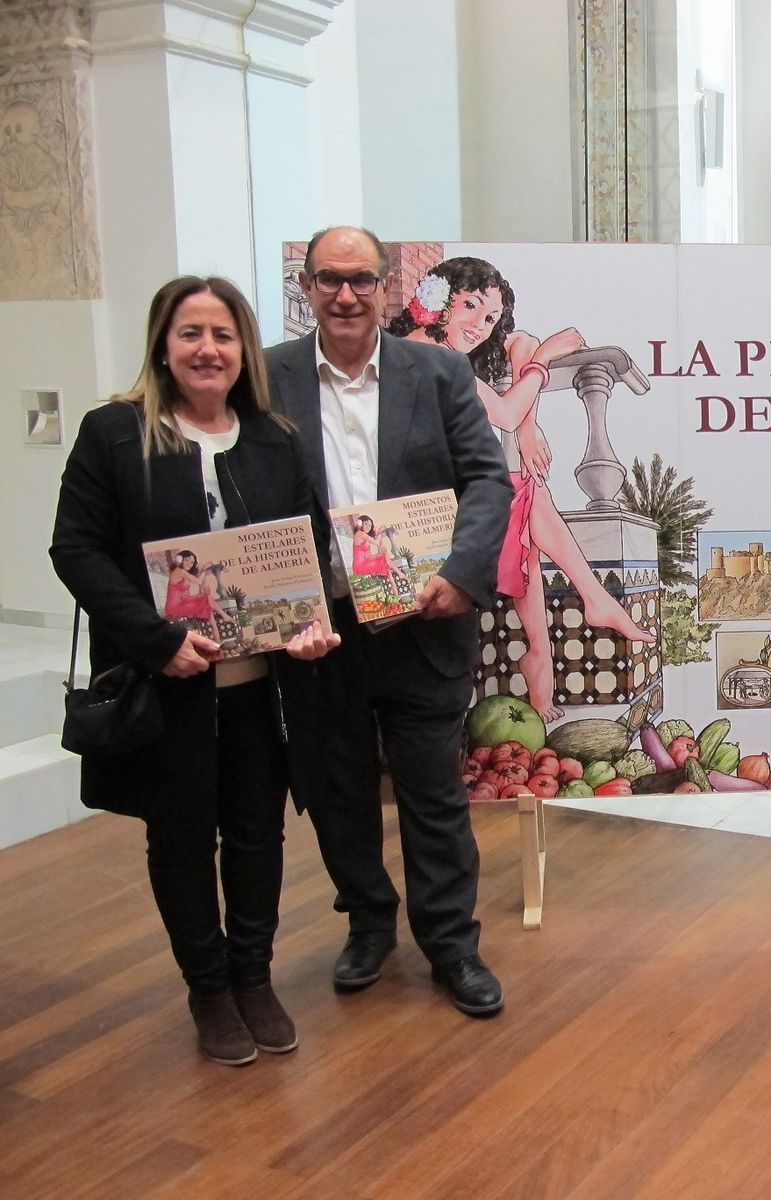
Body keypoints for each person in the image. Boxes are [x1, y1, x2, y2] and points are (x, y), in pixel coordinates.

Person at [50, 276, 339, 1066]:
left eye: (222, 334)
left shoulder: (273, 438)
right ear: (162, 346)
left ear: (244, 349)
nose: (207, 349)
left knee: (256, 834)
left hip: (259, 690)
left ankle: (254, 977)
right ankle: (208, 989)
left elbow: (303, 547)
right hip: (165, 684)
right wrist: (153, 640)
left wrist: (308, 627)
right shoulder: (113, 433)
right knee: (179, 840)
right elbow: (74, 549)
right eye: (190, 334)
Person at [268, 227, 513, 1016]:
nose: (345, 295)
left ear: (383, 288)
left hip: (423, 622)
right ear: (307, 288)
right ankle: (367, 924)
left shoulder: (438, 371)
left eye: (360, 279)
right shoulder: (265, 379)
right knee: (336, 791)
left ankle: (451, 945)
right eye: (329, 280)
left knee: (433, 797)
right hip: (319, 633)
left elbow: (487, 481)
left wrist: (458, 574)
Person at [389, 255, 654, 722]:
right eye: (469, 306)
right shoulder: (426, 349)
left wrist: (529, 421)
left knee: (524, 504)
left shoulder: (438, 345)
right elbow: (506, 412)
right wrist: (543, 360)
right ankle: (584, 608)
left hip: (439, 496)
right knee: (519, 491)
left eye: (489, 317)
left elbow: (518, 349)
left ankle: (544, 648)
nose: (479, 325)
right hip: (415, 511)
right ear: (438, 300)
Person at [164, 549, 231, 642]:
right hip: (175, 607)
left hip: (184, 603)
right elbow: (198, 582)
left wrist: (215, 566)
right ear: (180, 559)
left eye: (192, 562)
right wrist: (205, 575)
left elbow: (206, 564)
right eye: (187, 560)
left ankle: (217, 636)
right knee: (205, 598)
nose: (189, 564)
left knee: (205, 599)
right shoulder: (179, 571)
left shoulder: (183, 571)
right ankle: (223, 619)